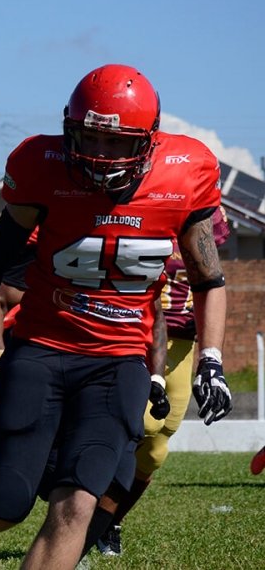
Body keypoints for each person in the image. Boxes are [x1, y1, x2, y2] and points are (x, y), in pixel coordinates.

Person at [0, 64, 231, 570]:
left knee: (76, 504)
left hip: (118, 361)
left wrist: (212, 360)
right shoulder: (41, 164)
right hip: (42, 350)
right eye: (90, 138)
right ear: (70, 129)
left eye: (118, 143)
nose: (101, 155)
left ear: (149, 142)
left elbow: (207, 281)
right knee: (5, 506)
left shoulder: (186, 171)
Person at [92, 206, 230, 557]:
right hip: (139, 336)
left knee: (155, 450)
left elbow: (210, 285)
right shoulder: (154, 211)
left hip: (183, 346)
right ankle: (71, 500)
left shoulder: (210, 219)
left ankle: (110, 521)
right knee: (136, 424)